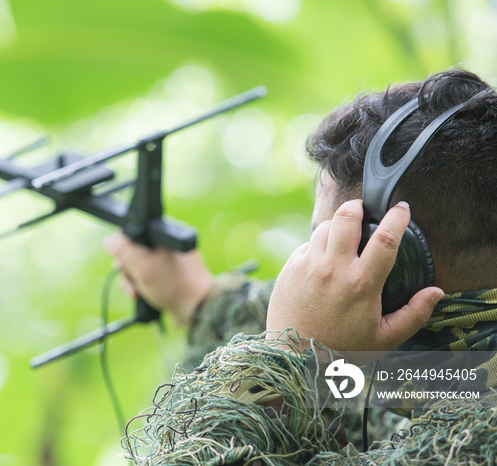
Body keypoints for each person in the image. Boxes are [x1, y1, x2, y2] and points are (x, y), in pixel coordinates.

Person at [105, 69, 497, 464]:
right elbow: (370, 385)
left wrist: (284, 358)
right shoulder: (457, 376)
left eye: (333, 247)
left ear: (395, 266)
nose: (319, 269)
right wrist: (198, 299)